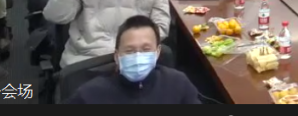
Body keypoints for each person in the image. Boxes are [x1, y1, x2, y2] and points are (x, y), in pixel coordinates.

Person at [66, 16, 200, 104]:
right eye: (129, 51)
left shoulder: (177, 84)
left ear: (157, 52)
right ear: (117, 56)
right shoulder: (90, 94)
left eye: (146, 49)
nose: (137, 56)